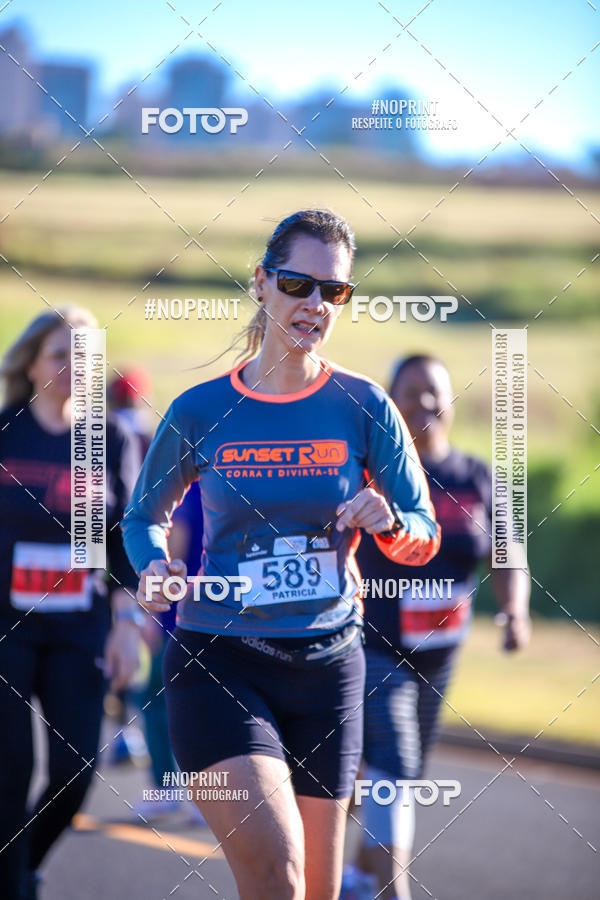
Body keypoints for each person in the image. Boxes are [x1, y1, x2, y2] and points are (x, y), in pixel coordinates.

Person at [122, 209, 441, 900]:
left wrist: (389, 522)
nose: (315, 305)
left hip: (330, 669)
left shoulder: (364, 405)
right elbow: (144, 516)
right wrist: (152, 569)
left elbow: (422, 530)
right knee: (280, 875)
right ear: (262, 283)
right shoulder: (203, 410)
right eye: (299, 285)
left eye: (335, 292)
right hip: (220, 660)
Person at [341, 354, 531, 900]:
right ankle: (391, 890)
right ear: (390, 403)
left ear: (451, 401)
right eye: (411, 391)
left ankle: (350, 868)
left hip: (440, 656)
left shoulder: (476, 476)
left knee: (393, 773)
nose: (423, 402)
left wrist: (513, 611)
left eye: (434, 391)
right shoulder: (377, 473)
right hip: (374, 647)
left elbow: (507, 552)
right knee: (395, 766)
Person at [0, 307, 142, 900]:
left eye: (84, 356)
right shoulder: (6, 430)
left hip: (79, 628)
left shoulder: (107, 439)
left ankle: (18, 864)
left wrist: (128, 623)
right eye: (60, 354)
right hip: (6, 629)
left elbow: (121, 542)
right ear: (32, 362)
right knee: (6, 776)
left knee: (75, 772)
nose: (71, 367)